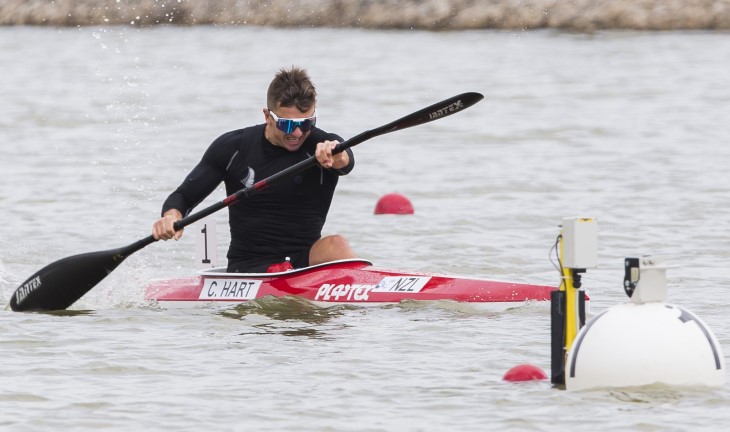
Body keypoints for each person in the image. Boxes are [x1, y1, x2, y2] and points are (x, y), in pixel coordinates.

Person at [152, 66, 356, 273]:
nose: (297, 132)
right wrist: (171, 217)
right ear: (268, 116)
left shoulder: (325, 145)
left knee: (336, 245)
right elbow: (183, 196)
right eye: (286, 124)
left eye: (306, 123)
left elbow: (346, 161)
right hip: (248, 268)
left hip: (303, 263)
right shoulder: (233, 148)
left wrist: (336, 153)